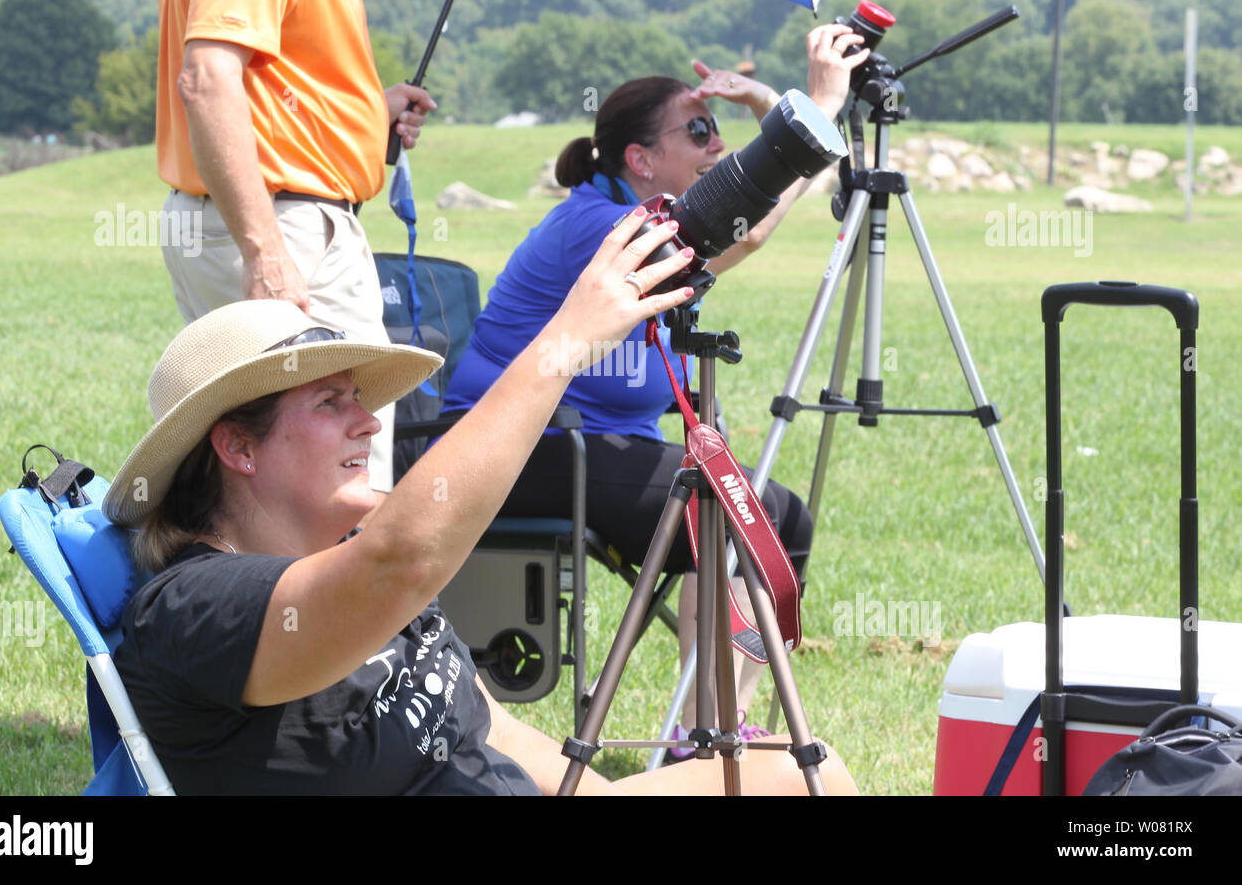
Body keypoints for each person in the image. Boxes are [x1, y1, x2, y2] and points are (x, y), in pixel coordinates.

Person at [106, 212, 858, 795]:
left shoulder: (342, 563)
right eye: (332, 402)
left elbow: (490, 729)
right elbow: (400, 561)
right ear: (238, 447)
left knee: (803, 772)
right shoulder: (194, 608)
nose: (369, 422)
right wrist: (563, 344)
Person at [442, 25, 871, 751]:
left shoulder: (640, 215)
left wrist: (772, 102)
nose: (716, 145)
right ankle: (705, 734)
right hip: (516, 452)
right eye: (698, 130)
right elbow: (751, 228)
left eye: (717, 129)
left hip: (583, 446)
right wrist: (820, 104)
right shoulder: (606, 227)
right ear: (640, 159)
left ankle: (712, 726)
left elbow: (754, 198)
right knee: (738, 510)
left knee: (771, 518)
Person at [154, 0, 435, 499]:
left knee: (261, 478)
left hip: (267, 216)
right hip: (279, 225)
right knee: (335, 484)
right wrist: (264, 249)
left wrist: (361, 118)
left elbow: (264, 89)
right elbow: (206, 79)